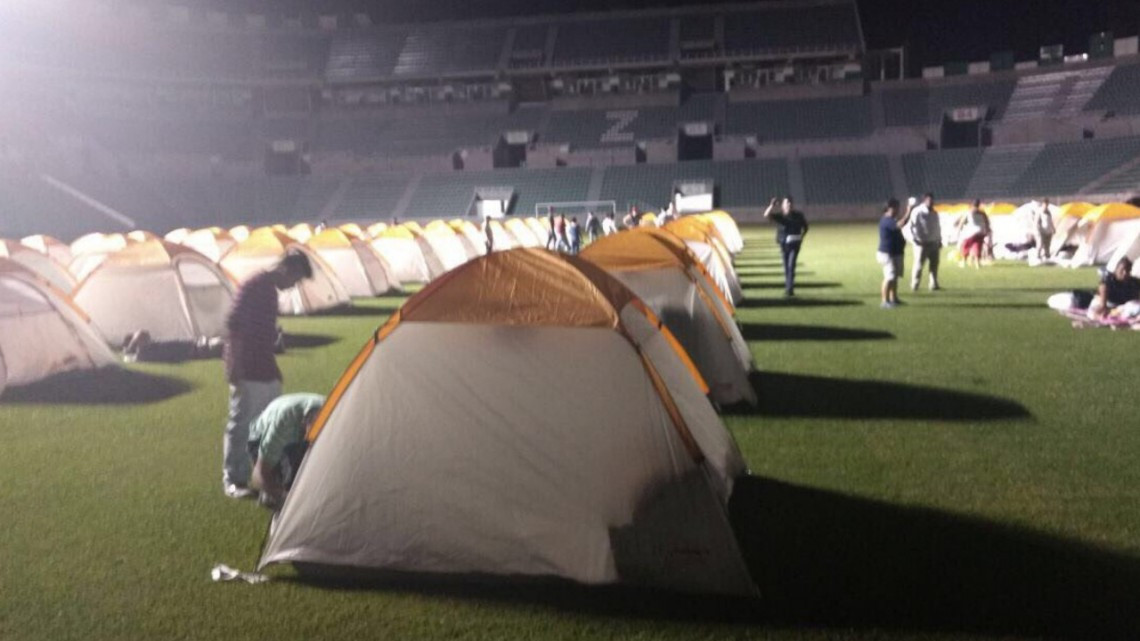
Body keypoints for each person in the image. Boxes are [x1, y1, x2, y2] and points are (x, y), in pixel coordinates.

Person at [221, 250, 312, 499]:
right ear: (287, 270)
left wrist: (274, 369)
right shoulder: (255, 286)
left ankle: (266, 476)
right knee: (241, 423)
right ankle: (234, 479)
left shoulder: (268, 290)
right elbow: (234, 325)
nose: (293, 286)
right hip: (247, 367)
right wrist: (234, 365)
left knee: (268, 423)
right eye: (295, 280)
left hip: (264, 367)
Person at [248, 393, 326, 510]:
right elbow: (259, 473)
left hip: (295, 423)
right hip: (260, 435)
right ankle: (269, 494)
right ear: (304, 424)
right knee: (279, 485)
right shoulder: (283, 426)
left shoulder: (332, 413)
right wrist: (283, 496)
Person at [763, 195, 809, 297]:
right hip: (783, 245)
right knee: (786, 268)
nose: (789, 204)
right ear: (782, 205)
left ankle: (790, 289)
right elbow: (766, 215)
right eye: (786, 202)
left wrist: (801, 237)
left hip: (794, 245)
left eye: (790, 202)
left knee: (791, 265)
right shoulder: (780, 216)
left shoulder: (798, 215)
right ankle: (788, 287)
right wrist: (771, 205)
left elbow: (805, 227)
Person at [877, 198, 913, 309]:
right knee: (889, 276)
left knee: (895, 277)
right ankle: (884, 301)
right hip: (887, 253)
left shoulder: (891, 219)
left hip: (895, 253)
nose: (898, 209)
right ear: (890, 208)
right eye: (896, 207)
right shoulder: (887, 220)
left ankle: (894, 299)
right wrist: (909, 210)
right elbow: (901, 224)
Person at [907, 192, 942, 291]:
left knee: (934, 265)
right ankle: (915, 284)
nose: (931, 202)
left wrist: (939, 240)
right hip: (921, 244)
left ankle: (933, 284)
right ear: (924, 200)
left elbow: (937, 227)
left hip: (933, 242)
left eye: (932, 200)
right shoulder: (917, 212)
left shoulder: (934, 213)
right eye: (929, 200)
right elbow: (910, 227)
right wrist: (915, 240)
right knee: (918, 265)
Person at [955, 199, 991, 269]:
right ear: (979, 204)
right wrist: (987, 230)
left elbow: (961, 222)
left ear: (972, 204)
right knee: (977, 246)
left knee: (966, 246)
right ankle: (977, 264)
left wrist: (958, 231)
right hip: (981, 232)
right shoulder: (982, 213)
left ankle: (963, 262)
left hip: (971, 233)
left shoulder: (969, 212)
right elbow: (987, 222)